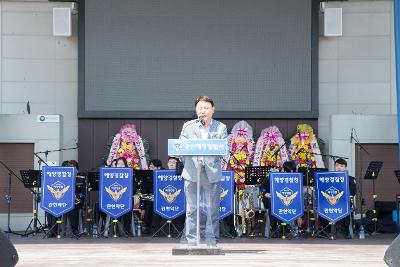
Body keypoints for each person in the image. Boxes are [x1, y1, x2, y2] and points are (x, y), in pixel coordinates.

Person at [179, 96, 227, 246]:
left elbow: (223, 149)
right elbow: (180, 147)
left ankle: (211, 240)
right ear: (196, 110)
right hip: (192, 171)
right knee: (192, 208)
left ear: (213, 110)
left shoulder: (220, 127)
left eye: (206, 108)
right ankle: (191, 240)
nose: (203, 111)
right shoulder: (188, 126)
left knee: (212, 209)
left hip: (211, 172)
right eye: (200, 108)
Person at [334, 158, 357, 239]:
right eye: (337, 166)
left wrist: (349, 195)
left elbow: (353, 191)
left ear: (345, 168)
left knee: (346, 208)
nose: (339, 167)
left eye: (341, 166)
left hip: (345, 202)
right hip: (331, 202)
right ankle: (331, 230)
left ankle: (346, 230)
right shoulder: (330, 178)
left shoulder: (350, 178)